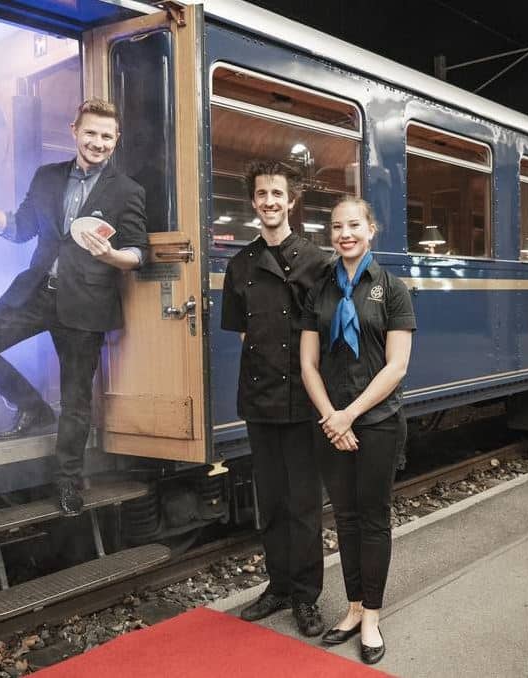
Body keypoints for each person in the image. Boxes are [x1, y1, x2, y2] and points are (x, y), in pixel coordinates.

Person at [0, 98, 148, 516]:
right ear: (74, 131)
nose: (97, 142)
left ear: (116, 140)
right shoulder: (46, 177)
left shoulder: (127, 191)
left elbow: (138, 251)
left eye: (106, 136)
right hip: (35, 292)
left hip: (87, 303)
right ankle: (32, 407)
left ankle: (67, 483)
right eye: (90, 132)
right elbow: (19, 228)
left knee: (76, 399)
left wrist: (112, 256)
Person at [300, 196, 416, 665]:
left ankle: (371, 616)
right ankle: (351, 608)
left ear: (371, 229)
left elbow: (397, 366)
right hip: (331, 422)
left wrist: (349, 415)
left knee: (373, 518)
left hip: (378, 422)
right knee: (345, 519)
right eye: (336, 227)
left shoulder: (392, 289)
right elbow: (308, 364)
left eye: (353, 225)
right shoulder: (319, 289)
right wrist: (333, 416)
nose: (344, 234)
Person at [221, 160, 330, 637]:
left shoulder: (317, 262)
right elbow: (245, 335)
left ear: (292, 200)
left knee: (303, 503)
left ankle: (306, 596)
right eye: (262, 194)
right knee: (270, 500)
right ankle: (279, 586)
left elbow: (327, 336)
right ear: (253, 201)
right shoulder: (239, 264)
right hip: (260, 397)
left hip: (303, 398)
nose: (269, 201)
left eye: (277, 194)